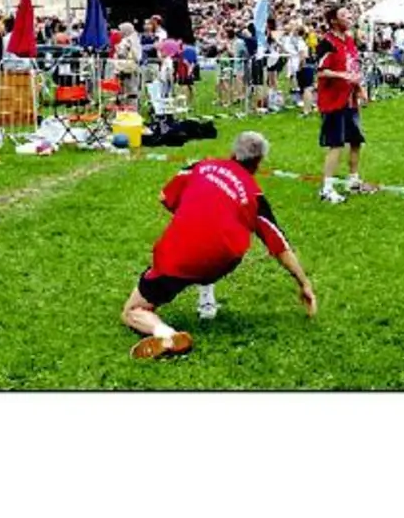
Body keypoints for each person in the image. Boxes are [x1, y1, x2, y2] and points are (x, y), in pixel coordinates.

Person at [122, 131, 317, 359]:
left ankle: (166, 335)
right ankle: (206, 300)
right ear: (258, 162)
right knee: (211, 253)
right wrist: (304, 284)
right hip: (222, 261)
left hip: (178, 256)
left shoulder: (202, 166)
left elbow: (164, 197)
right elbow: (280, 246)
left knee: (132, 311)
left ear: (232, 153)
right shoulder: (255, 196)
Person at [315, 4, 375, 203]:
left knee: (356, 141)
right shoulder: (327, 43)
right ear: (334, 20)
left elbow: (353, 68)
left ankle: (353, 181)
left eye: (349, 14)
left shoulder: (349, 41)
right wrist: (342, 75)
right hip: (333, 102)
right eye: (344, 15)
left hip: (350, 101)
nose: (349, 17)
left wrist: (360, 89)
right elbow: (320, 71)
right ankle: (327, 188)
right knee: (336, 144)